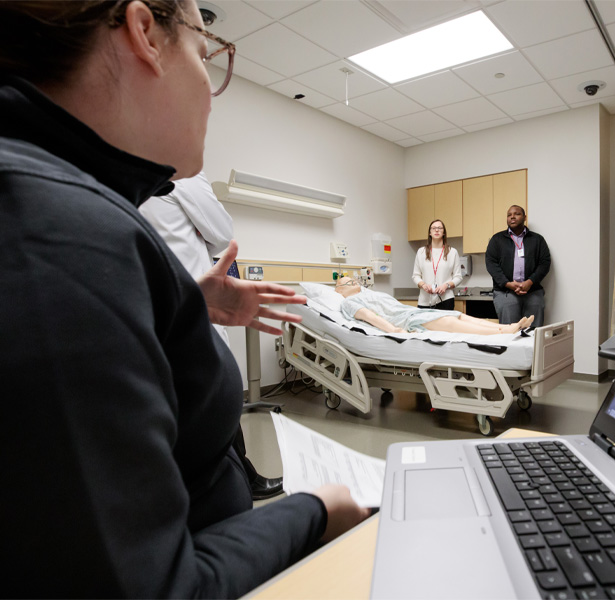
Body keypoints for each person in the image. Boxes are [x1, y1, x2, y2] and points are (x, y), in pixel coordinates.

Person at [0, 1, 368, 597]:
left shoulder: (61, 205)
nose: (210, 88)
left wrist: (171, 306)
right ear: (145, 33)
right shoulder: (55, 231)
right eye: (205, 53)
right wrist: (315, 511)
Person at [141, 171, 283, 501]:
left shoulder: (129, 180)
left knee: (193, 403)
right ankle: (241, 481)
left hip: (163, 303)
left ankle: (232, 480)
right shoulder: (182, 173)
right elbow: (222, 235)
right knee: (218, 397)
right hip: (196, 304)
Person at [335, 277, 532, 334]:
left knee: (458, 315)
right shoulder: (349, 302)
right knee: (448, 320)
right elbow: (370, 317)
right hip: (404, 320)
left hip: (411, 312)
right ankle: (502, 333)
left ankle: (506, 326)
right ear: (339, 289)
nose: (355, 283)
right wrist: (394, 331)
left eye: (355, 281)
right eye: (349, 282)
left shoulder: (371, 293)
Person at [485, 205, 552, 327]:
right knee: (510, 332)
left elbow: (545, 263)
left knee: (533, 333)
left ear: (525, 217)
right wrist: (507, 283)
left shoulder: (537, 239)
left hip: (532, 292)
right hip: (506, 292)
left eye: (516, 214)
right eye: (509, 215)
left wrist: (530, 282)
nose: (512, 217)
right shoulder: (497, 239)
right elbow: (491, 263)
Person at [412, 219, 462, 310]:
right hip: (425, 301)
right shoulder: (421, 252)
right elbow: (415, 276)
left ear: (444, 233)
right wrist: (423, 285)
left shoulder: (452, 252)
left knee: (446, 324)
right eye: (433, 228)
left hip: (446, 299)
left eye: (440, 228)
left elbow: (458, 277)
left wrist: (446, 285)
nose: (436, 230)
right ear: (429, 233)